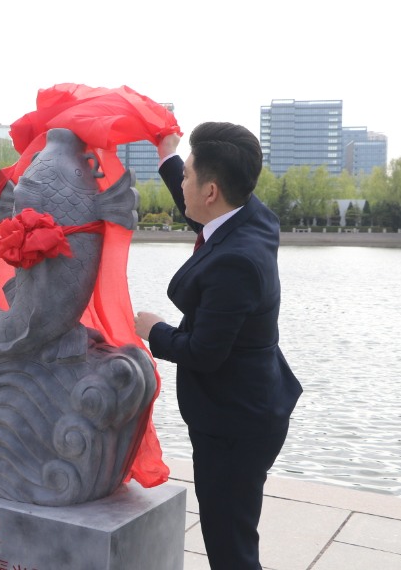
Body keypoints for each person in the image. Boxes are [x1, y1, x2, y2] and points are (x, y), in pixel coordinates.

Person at [134, 122, 302, 570]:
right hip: (253, 403)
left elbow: (203, 352)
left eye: (186, 175)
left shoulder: (237, 262)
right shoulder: (252, 217)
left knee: (230, 549)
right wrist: (169, 155)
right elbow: (202, 214)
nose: (181, 182)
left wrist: (153, 330)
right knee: (232, 536)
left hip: (235, 425)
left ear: (211, 191)